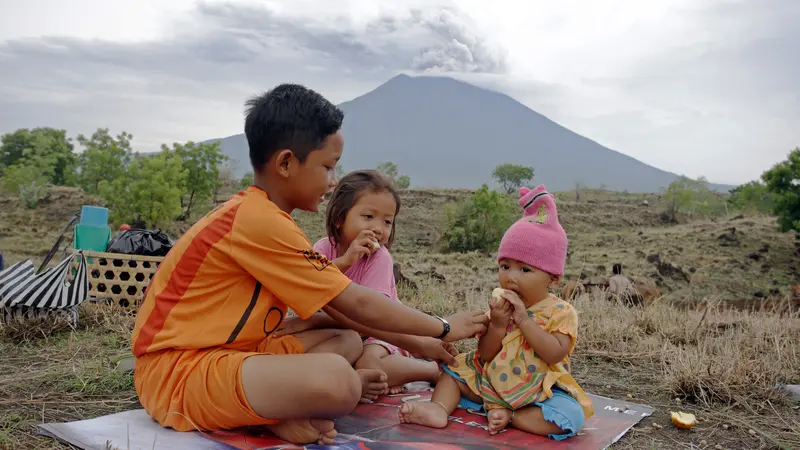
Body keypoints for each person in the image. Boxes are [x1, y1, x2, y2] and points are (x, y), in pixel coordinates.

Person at [130, 84, 489, 446]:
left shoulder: (266, 217)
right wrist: (441, 327)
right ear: (285, 163)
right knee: (341, 382)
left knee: (346, 340)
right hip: (177, 374)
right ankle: (271, 414)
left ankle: (272, 410)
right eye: (327, 167)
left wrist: (420, 343)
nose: (332, 182)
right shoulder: (258, 222)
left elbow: (344, 317)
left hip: (236, 355)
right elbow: (355, 302)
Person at [399, 185, 594, 440]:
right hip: (490, 380)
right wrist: (499, 325)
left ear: (553, 279)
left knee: (572, 417)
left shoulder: (561, 311)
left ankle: (512, 416)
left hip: (537, 389)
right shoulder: (501, 307)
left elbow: (554, 353)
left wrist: (523, 320)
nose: (511, 277)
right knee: (453, 371)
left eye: (525, 270)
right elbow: (486, 353)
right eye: (505, 266)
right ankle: (438, 409)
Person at [273, 170, 443, 399]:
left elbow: (371, 318)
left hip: (382, 332)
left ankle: (430, 370)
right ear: (339, 218)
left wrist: (310, 322)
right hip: (343, 330)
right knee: (330, 360)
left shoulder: (379, 258)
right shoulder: (323, 249)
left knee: (369, 365)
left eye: (387, 221)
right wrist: (345, 261)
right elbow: (312, 285)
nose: (378, 228)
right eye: (368, 216)